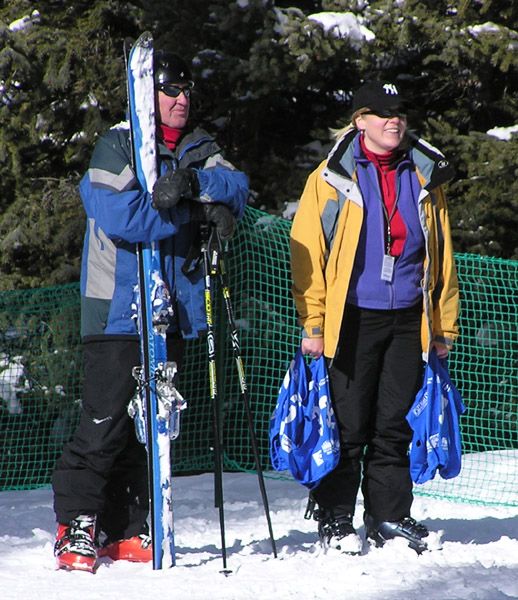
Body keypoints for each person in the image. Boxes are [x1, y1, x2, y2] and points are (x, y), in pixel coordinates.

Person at [51, 49, 249, 572]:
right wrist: (193, 212)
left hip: (174, 311)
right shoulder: (117, 144)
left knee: (152, 426)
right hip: (118, 310)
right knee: (105, 422)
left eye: (186, 91)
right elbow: (123, 215)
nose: (181, 99)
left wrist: (196, 185)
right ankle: (77, 525)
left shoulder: (197, 147)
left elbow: (237, 184)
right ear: (147, 95)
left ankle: (128, 526)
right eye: (170, 90)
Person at [290, 81, 459, 555]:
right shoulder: (329, 178)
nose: (394, 121)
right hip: (352, 319)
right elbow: (308, 256)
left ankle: (388, 515)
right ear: (359, 120)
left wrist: (443, 326)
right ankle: (335, 516)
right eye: (383, 113)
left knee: (394, 423)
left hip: (409, 317)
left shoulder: (424, 175)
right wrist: (315, 323)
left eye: (400, 113)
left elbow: (442, 257)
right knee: (348, 422)